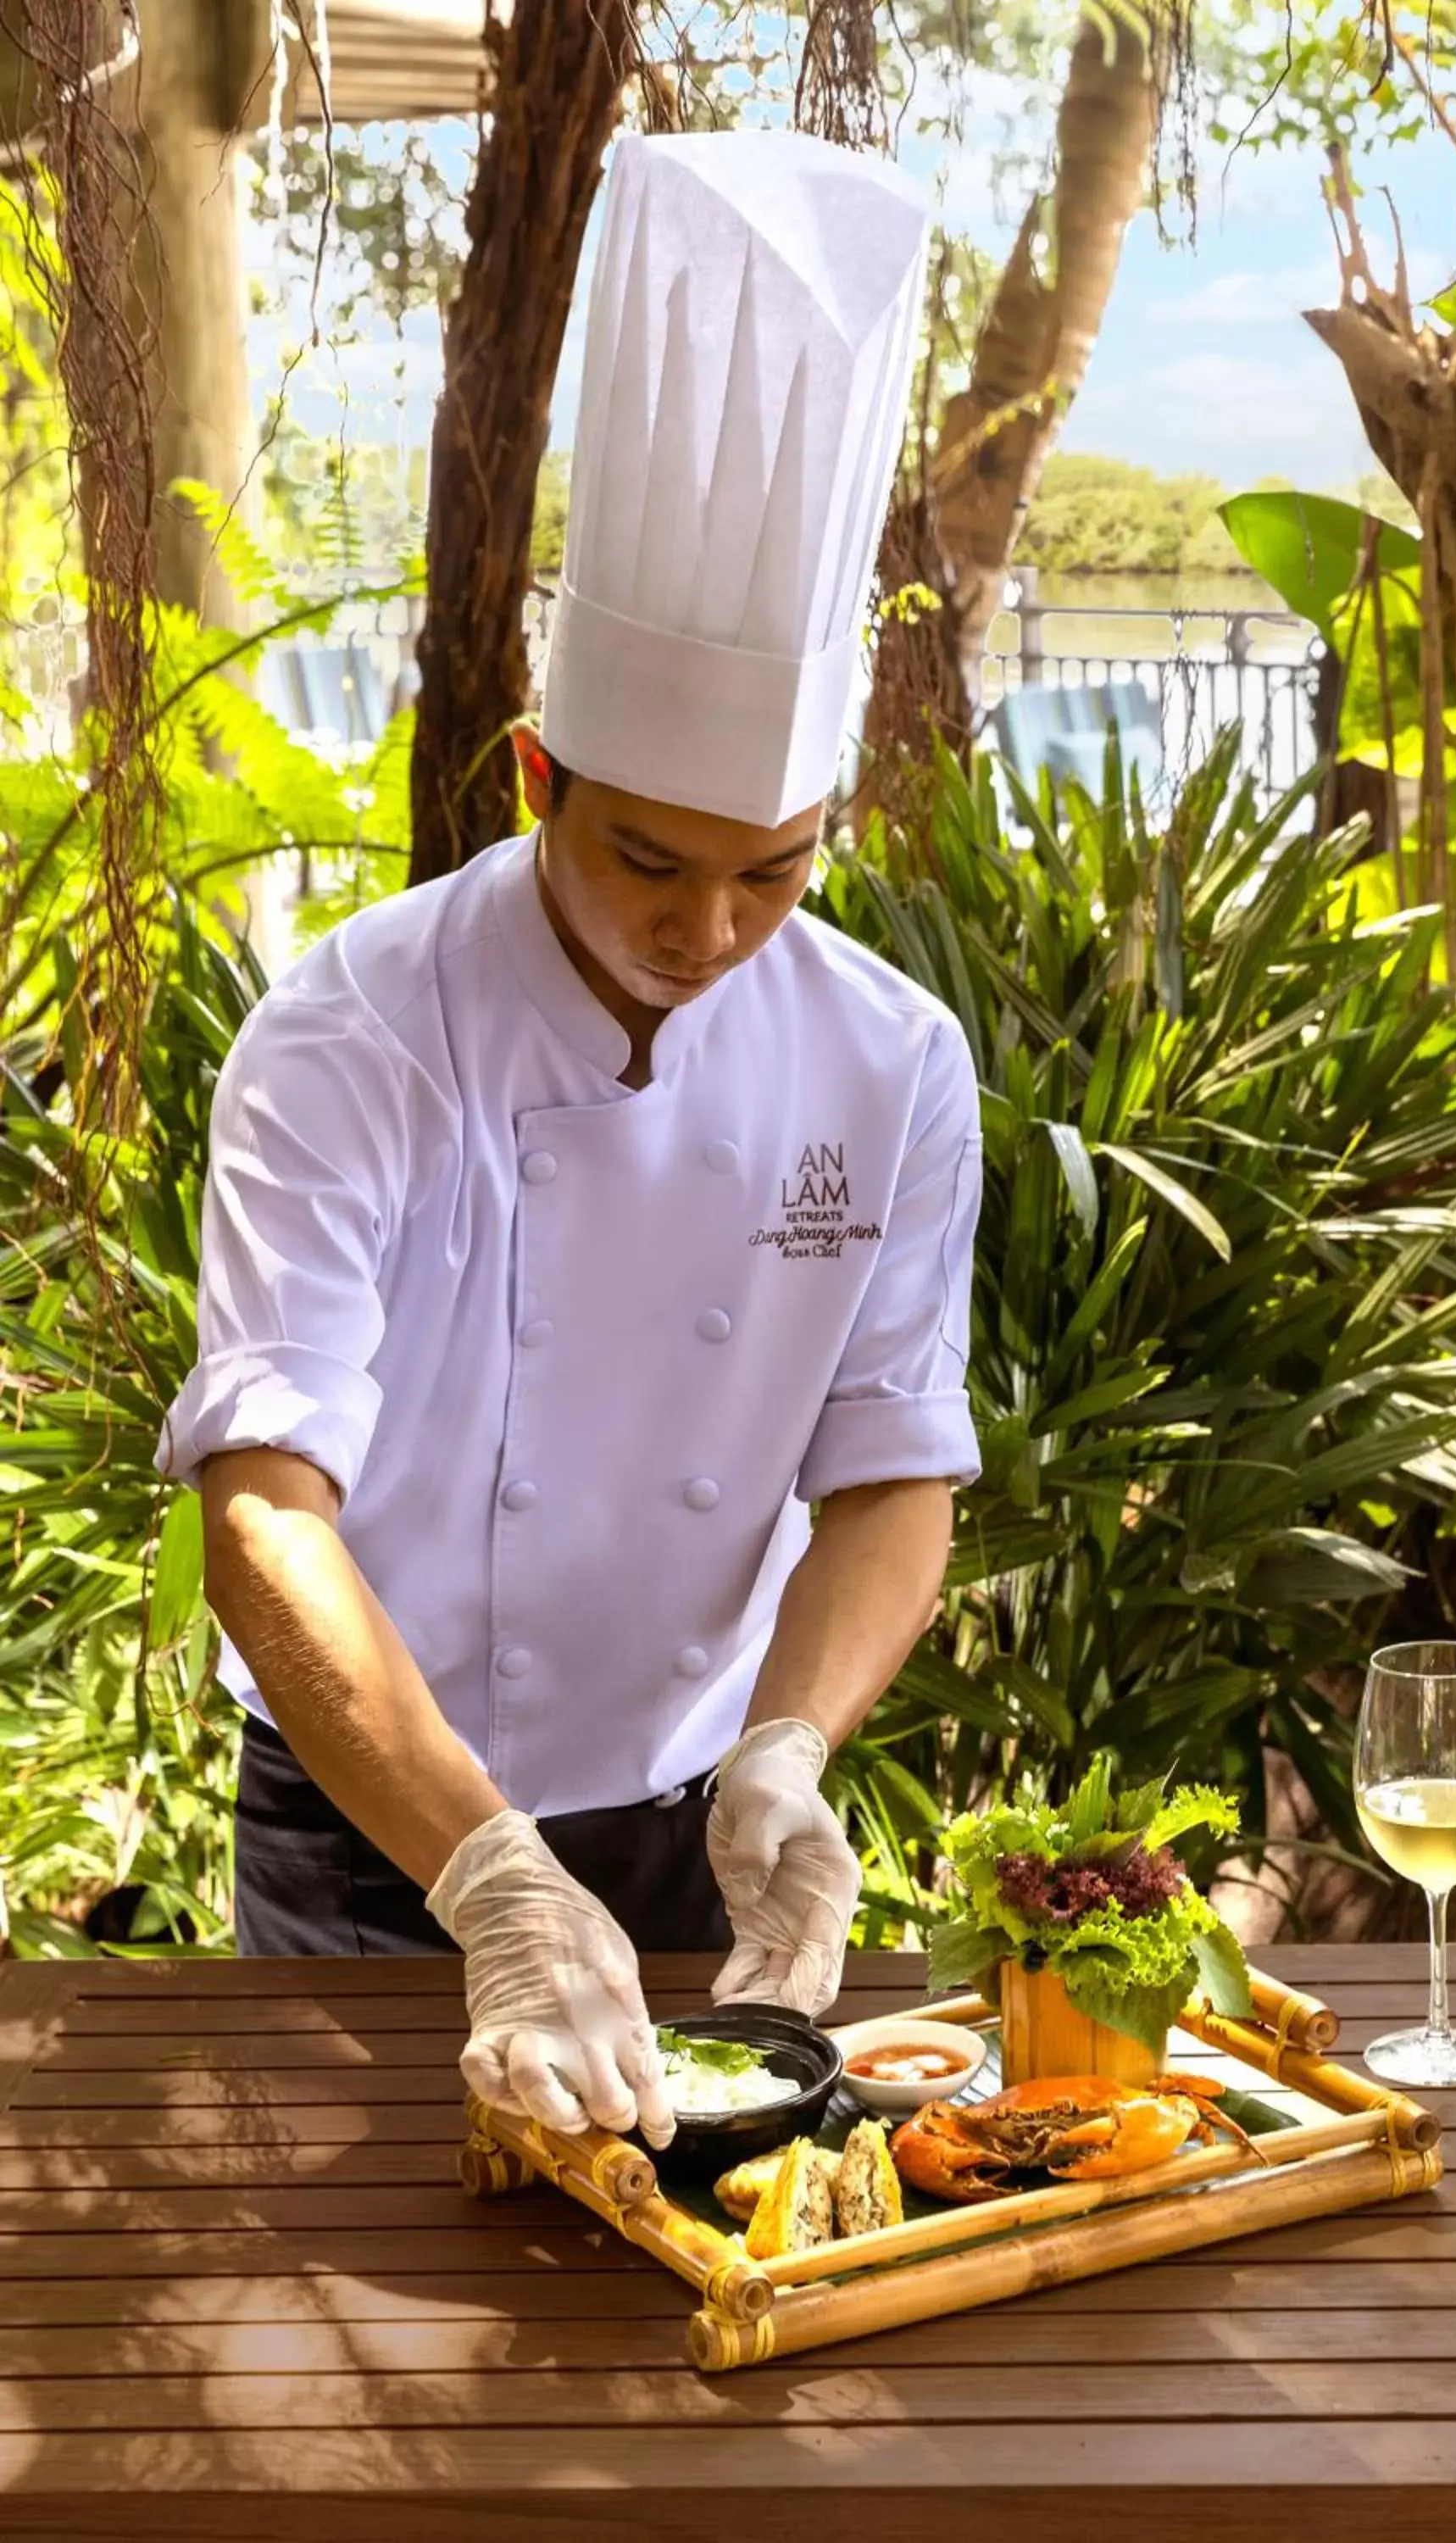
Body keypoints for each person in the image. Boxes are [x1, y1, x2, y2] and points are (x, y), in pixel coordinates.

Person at [157, 129, 983, 2153]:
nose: (707, 932)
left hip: (697, 1816)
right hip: (379, 1834)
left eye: (775, 874)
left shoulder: (890, 1059)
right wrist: (490, 1880)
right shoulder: (350, 1035)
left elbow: (891, 1467)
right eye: (647, 860)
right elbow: (266, 1502)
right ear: (537, 772)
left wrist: (787, 1749)